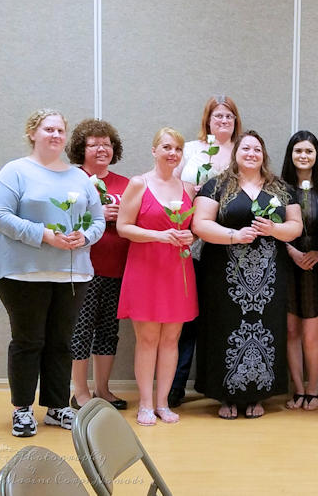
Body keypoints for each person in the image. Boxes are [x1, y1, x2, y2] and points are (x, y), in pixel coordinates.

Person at [0, 109, 105, 437]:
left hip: (71, 275)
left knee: (61, 342)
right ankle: (22, 409)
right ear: (33, 133)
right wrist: (44, 234)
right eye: (48, 129)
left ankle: (57, 407)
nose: (55, 135)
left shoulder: (79, 177)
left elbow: (96, 220)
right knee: (28, 341)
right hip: (22, 274)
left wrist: (86, 236)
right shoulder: (15, 172)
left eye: (60, 130)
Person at [192, 130, 302, 419]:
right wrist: (233, 235)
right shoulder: (217, 186)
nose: (251, 153)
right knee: (223, 328)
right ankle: (225, 397)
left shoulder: (280, 188)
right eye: (246, 149)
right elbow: (200, 224)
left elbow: (296, 226)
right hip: (223, 276)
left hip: (268, 277)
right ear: (235, 153)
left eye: (257, 149)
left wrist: (274, 230)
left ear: (264, 154)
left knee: (267, 328)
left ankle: (258, 395)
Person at [116, 127, 198, 426]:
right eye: (166, 147)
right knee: (148, 339)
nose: (172, 153)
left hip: (178, 269)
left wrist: (189, 236)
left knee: (172, 339)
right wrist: (160, 236)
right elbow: (124, 227)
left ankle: (163, 402)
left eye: (177, 148)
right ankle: (146, 404)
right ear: (154, 151)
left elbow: (194, 227)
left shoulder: (188, 188)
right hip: (146, 268)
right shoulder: (139, 184)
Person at [169, 95, 243, 408]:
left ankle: (221, 383)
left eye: (228, 116)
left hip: (230, 243)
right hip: (191, 240)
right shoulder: (190, 149)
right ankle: (175, 387)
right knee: (187, 320)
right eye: (217, 116)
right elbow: (171, 187)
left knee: (224, 318)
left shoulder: (243, 150)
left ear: (235, 120)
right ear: (208, 120)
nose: (223, 121)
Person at [67, 119, 130, 411]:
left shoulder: (125, 184)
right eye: (94, 144)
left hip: (117, 268)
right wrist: (98, 214)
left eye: (106, 143)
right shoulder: (71, 180)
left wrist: (123, 218)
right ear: (81, 148)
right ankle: (79, 391)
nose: (101, 148)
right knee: (81, 329)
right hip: (82, 269)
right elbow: (63, 220)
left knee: (108, 330)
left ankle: (102, 389)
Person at [281, 131, 318, 411]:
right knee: (291, 333)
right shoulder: (279, 188)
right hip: (287, 265)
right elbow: (272, 227)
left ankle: (313, 391)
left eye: (309, 151)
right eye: (298, 150)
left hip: (317, 268)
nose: (303, 156)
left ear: (316, 156)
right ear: (291, 155)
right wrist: (292, 251)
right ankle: (298, 390)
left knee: (311, 336)